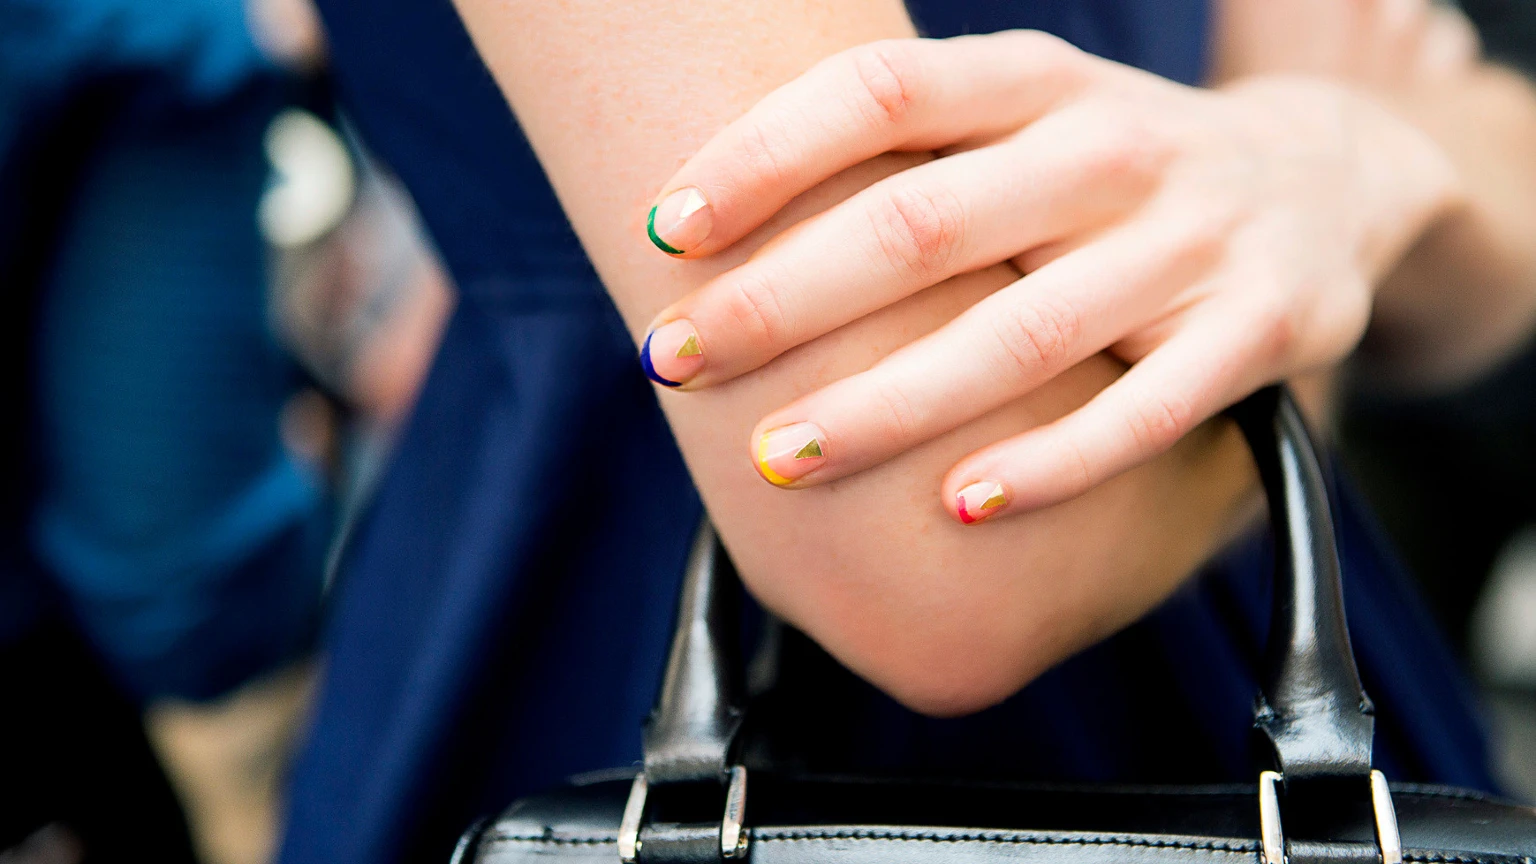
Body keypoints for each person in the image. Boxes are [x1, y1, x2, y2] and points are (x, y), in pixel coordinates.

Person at [281, 1, 1536, 862]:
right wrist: (1298, 319)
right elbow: (947, 562)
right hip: (593, 599)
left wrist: (1348, 161)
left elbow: (1495, 187)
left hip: (1221, 604)